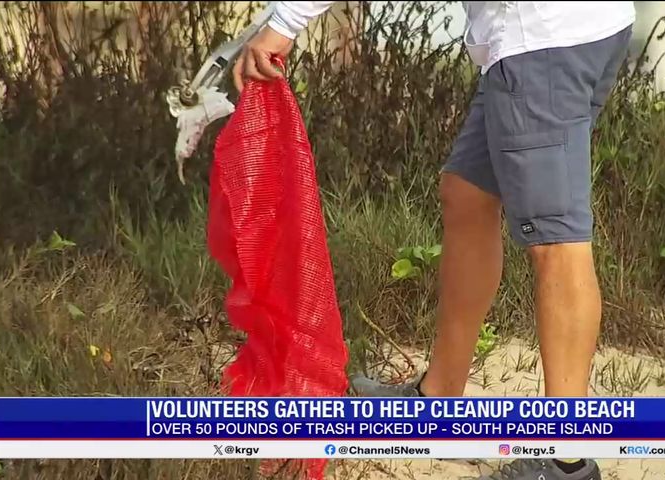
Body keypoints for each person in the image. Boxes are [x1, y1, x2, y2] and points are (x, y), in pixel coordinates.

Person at [233, 2, 634, 479]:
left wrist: (285, 23)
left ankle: (567, 457)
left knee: (556, 240)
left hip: (544, 41)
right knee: (467, 193)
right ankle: (439, 398)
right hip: (558, 32)